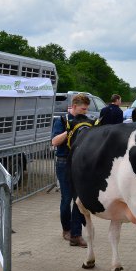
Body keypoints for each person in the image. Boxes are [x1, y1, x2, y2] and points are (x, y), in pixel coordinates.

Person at [51, 93, 89, 247]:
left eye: (86, 109)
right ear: (74, 107)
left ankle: (76, 234)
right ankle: (66, 229)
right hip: (64, 162)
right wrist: (71, 130)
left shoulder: (86, 121)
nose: (85, 112)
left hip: (79, 163)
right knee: (66, 199)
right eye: (83, 109)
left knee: (78, 199)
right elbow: (54, 141)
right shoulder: (61, 120)